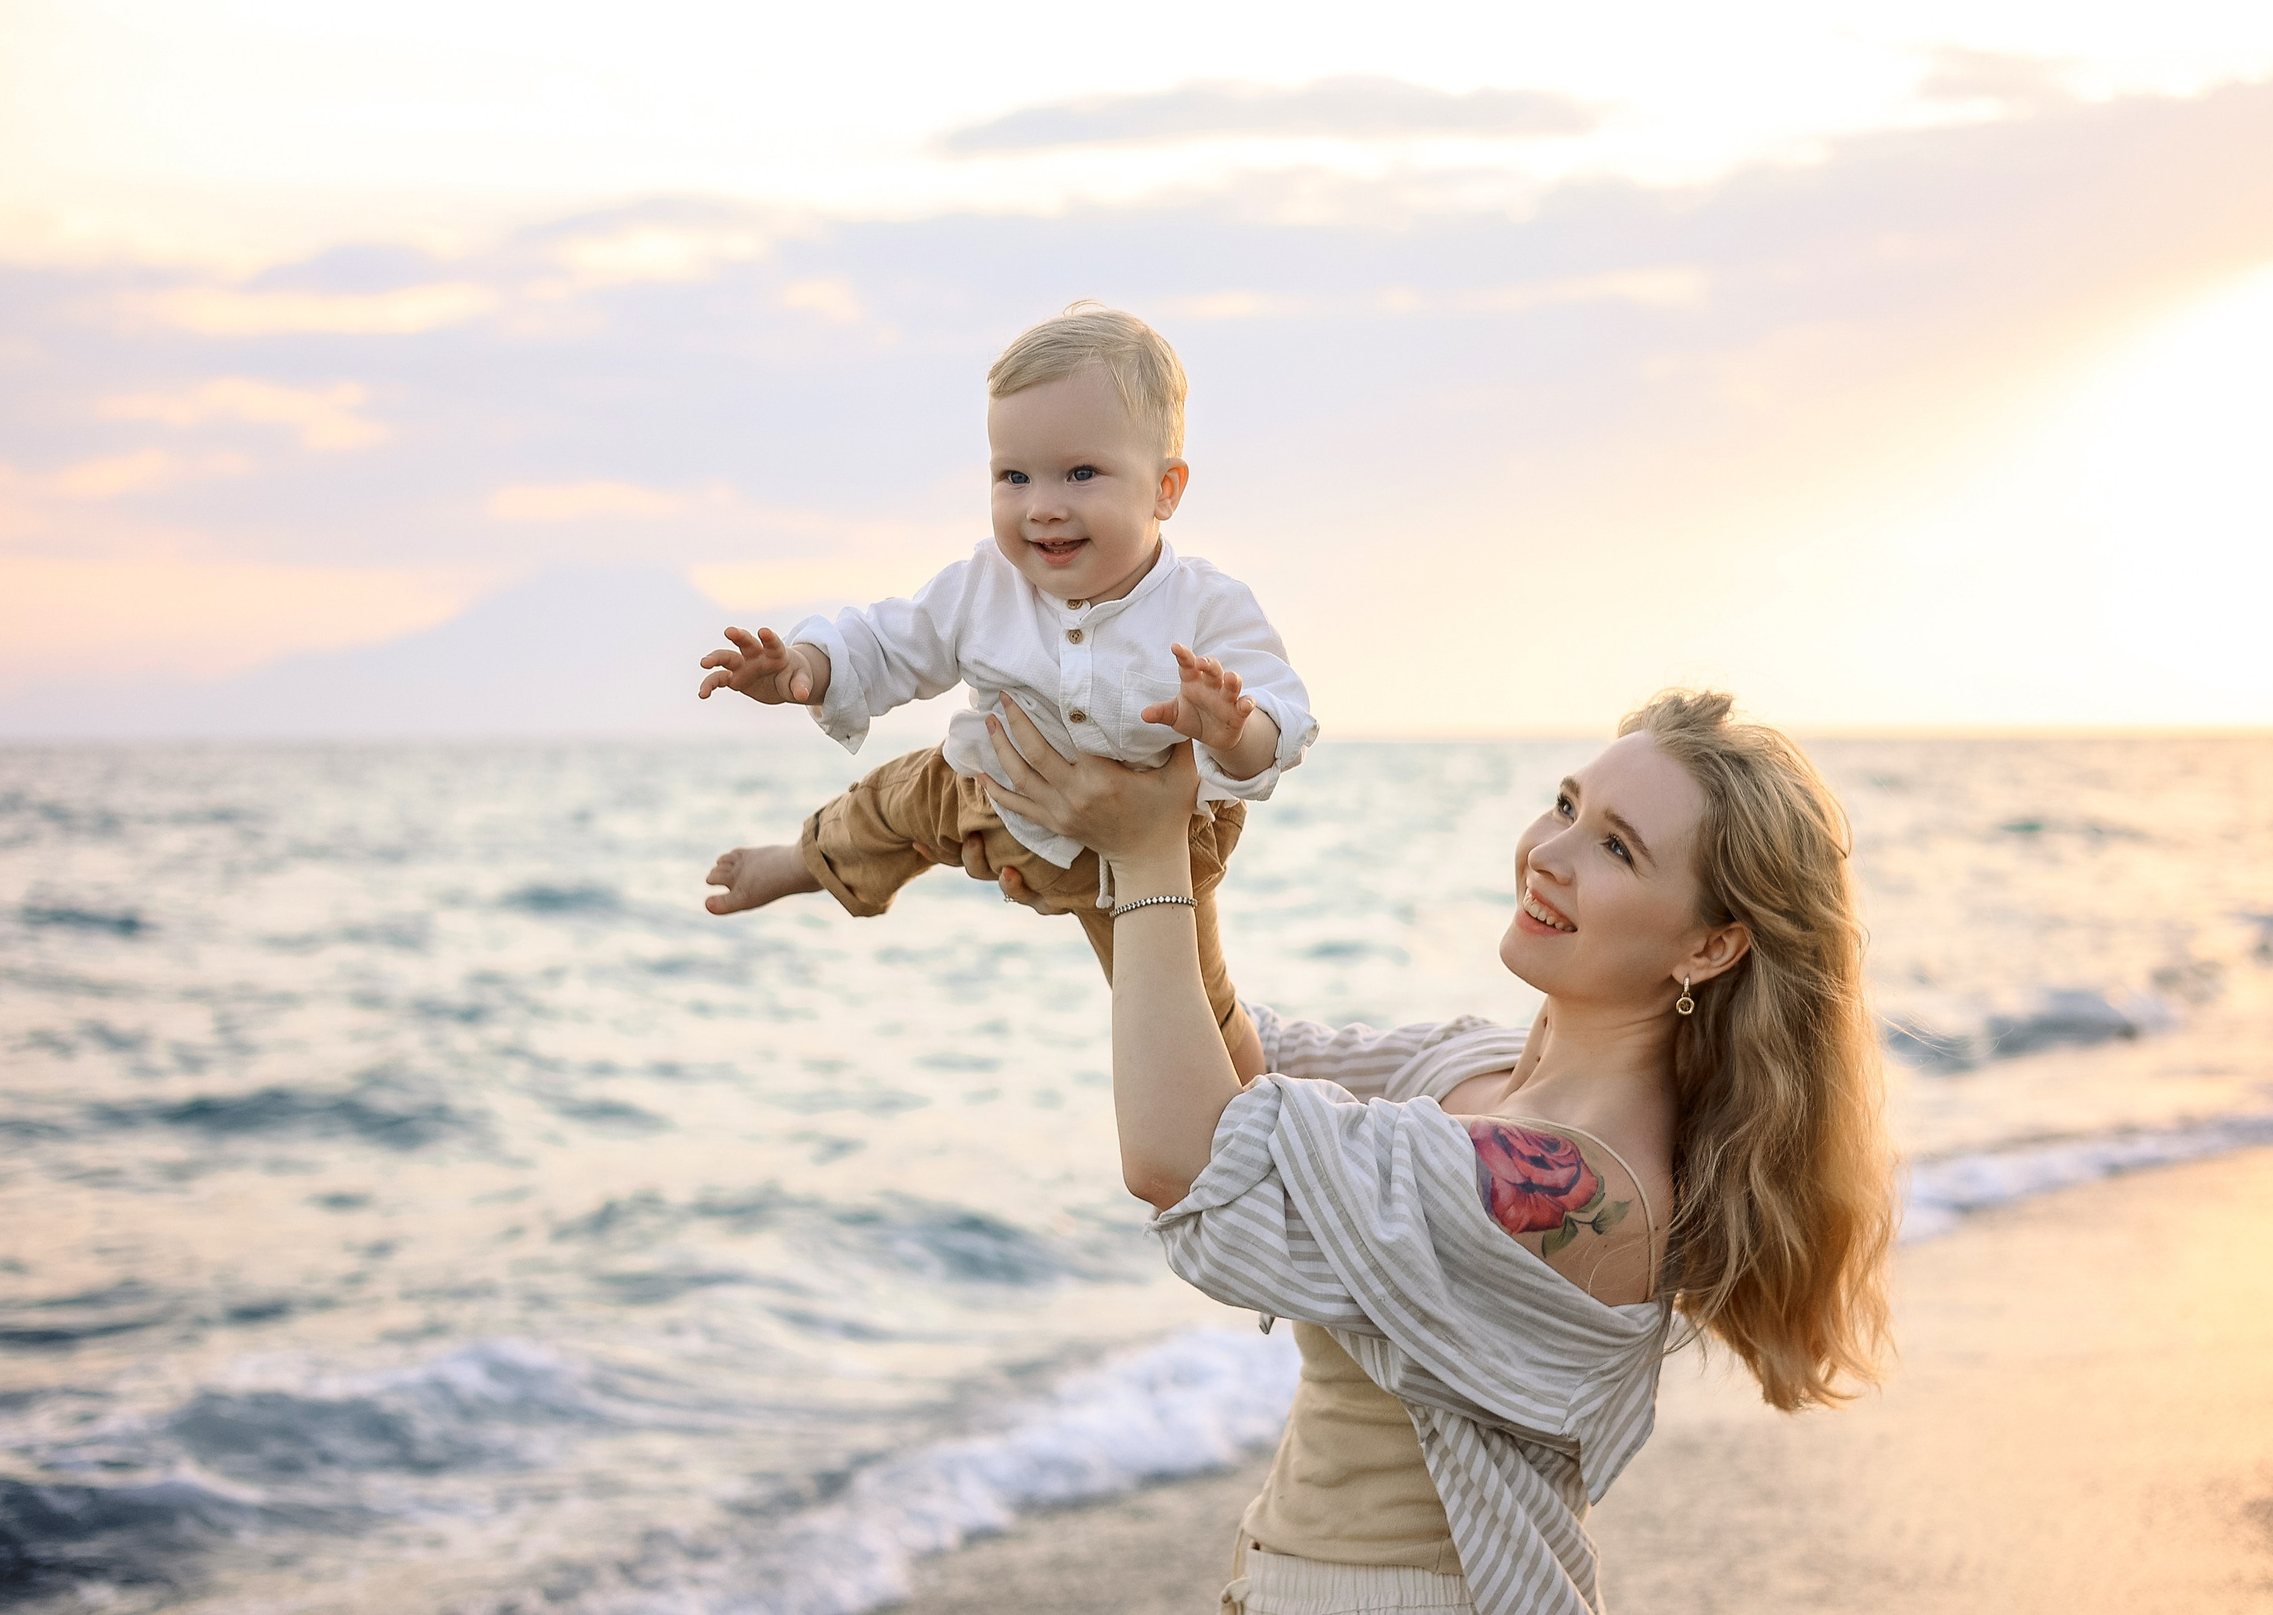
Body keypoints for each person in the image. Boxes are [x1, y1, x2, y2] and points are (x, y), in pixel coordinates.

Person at [961, 687, 1897, 1615]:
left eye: (1616, 846)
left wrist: (1147, 854)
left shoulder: (1582, 1193)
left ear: (1710, 944)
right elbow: (1242, 1068)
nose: (1548, 854)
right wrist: (1118, 875)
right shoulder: (1475, 1067)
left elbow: (1187, 1156)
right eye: (1567, 805)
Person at [693, 304, 1318, 1082]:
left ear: (1165, 488)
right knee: (891, 798)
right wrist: (805, 667)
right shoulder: (982, 586)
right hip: (988, 791)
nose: (1041, 504)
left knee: (1191, 1003)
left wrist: (1234, 726)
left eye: (1080, 473)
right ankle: (803, 862)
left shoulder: (1204, 606)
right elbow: (889, 639)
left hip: (1143, 850)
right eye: (1012, 476)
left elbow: (1286, 717)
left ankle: (1257, 1123)